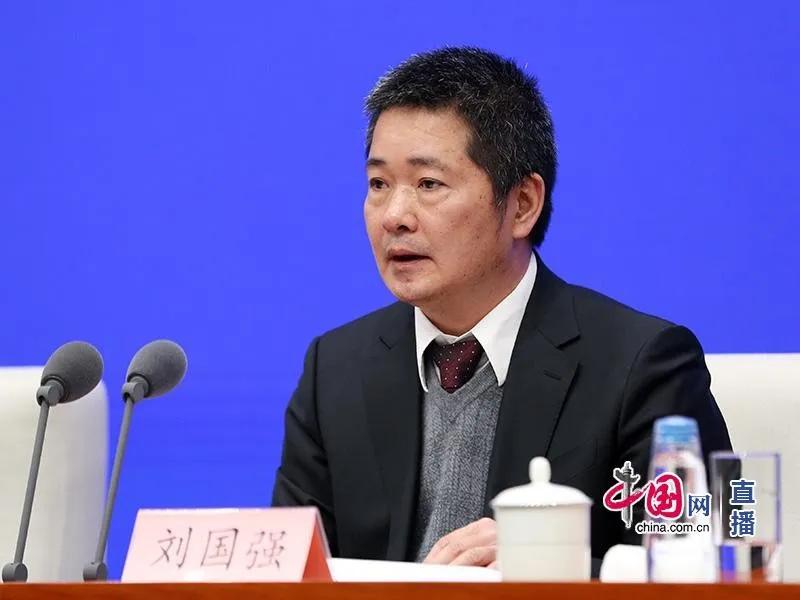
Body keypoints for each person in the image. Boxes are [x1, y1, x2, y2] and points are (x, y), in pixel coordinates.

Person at [272, 47, 731, 571]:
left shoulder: (641, 366)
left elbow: (715, 562)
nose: (394, 215)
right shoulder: (335, 369)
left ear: (522, 205)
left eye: (428, 184)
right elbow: (288, 571)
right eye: (379, 184)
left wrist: (555, 565)